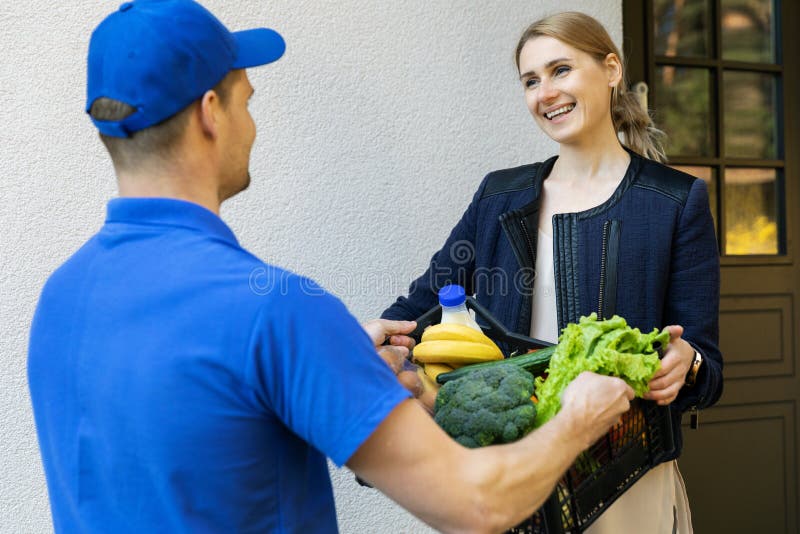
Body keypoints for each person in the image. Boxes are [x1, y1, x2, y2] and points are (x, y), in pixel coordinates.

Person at [27, 2, 636, 533]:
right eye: (247, 101)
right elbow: (475, 505)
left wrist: (335, 354)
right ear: (211, 113)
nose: (252, 125)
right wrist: (580, 418)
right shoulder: (278, 310)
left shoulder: (59, 298)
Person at [382, 11, 723, 533]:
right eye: (530, 80)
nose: (546, 92)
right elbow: (420, 308)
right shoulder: (500, 196)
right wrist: (367, 339)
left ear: (611, 69)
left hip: (625, 480)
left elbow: (707, 365)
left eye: (561, 69)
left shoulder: (675, 201)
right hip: (515, 470)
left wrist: (689, 362)